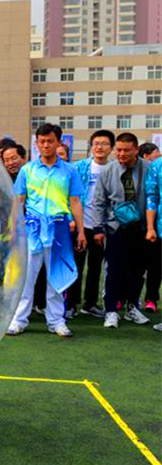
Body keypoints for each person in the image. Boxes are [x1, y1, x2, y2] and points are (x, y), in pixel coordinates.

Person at [8, 124, 85, 337]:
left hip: (59, 228)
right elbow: (19, 201)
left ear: (59, 142)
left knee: (56, 277)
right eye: (41, 141)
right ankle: (19, 319)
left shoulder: (70, 171)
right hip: (31, 228)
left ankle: (56, 321)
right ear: (36, 143)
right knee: (26, 277)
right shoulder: (28, 170)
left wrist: (80, 231)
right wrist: (14, 229)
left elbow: (76, 201)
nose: (45, 145)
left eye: (50, 141)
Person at [93, 132, 150, 328]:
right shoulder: (108, 171)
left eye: (126, 150)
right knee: (114, 270)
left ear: (136, 149)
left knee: (137, 270)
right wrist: (98, 229)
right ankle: (111, 310)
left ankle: (133, 307)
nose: (121, 154)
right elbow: (98, 202)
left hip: (141, 228)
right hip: (115, 228)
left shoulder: (148, 169)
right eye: (118, 150)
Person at [67, 130, 114, 319]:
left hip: (101, 226)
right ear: (91, 146)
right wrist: (72, 220)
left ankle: (90, 303)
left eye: (104, 143)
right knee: (75, 266)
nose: (99, 147)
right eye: (96, 143)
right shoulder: (79, 167)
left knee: (96, 267)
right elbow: (70, 196)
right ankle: (71, 304)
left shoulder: (113, 169)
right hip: (79, 225)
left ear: (111, 147)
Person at [144, 155, 162, 326]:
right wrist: (150, 227)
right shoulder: (157, 166)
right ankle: (151, 298)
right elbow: (152, 197)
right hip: (160, 227)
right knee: (156, 267)